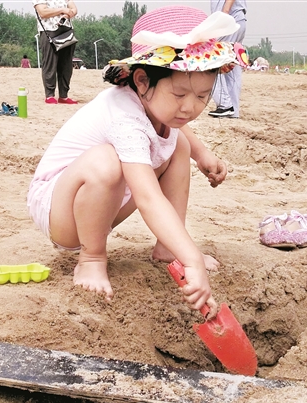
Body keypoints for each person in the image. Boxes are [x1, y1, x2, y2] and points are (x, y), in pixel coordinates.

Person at [27, 6, 246, 317]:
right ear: (141, 80)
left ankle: (167, 247)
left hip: (101, 203)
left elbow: (179, 131)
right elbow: (147, 197)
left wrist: (203, 154)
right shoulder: (124, 116)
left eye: (202, 96)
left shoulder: (156, 107)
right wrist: (193, 260)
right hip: (59, 211)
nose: (190, 107)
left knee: (177, 142)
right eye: (180, 93)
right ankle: (91, 258)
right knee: (107, 161)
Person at [208, 0, 247, 118]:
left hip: (229, 18)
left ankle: (224, 104)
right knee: (231, 63)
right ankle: (233, 110)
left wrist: (224, 14)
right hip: (238, 18)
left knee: (212, 58)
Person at [34, 0, 78, 104]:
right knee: (50, 64)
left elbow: (74, 9)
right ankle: (50, 95)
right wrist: (62, 10)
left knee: (66, 65)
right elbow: (43, 12)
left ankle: (64, 96)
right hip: (49, 31)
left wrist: (68, 14)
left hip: (66, 30)